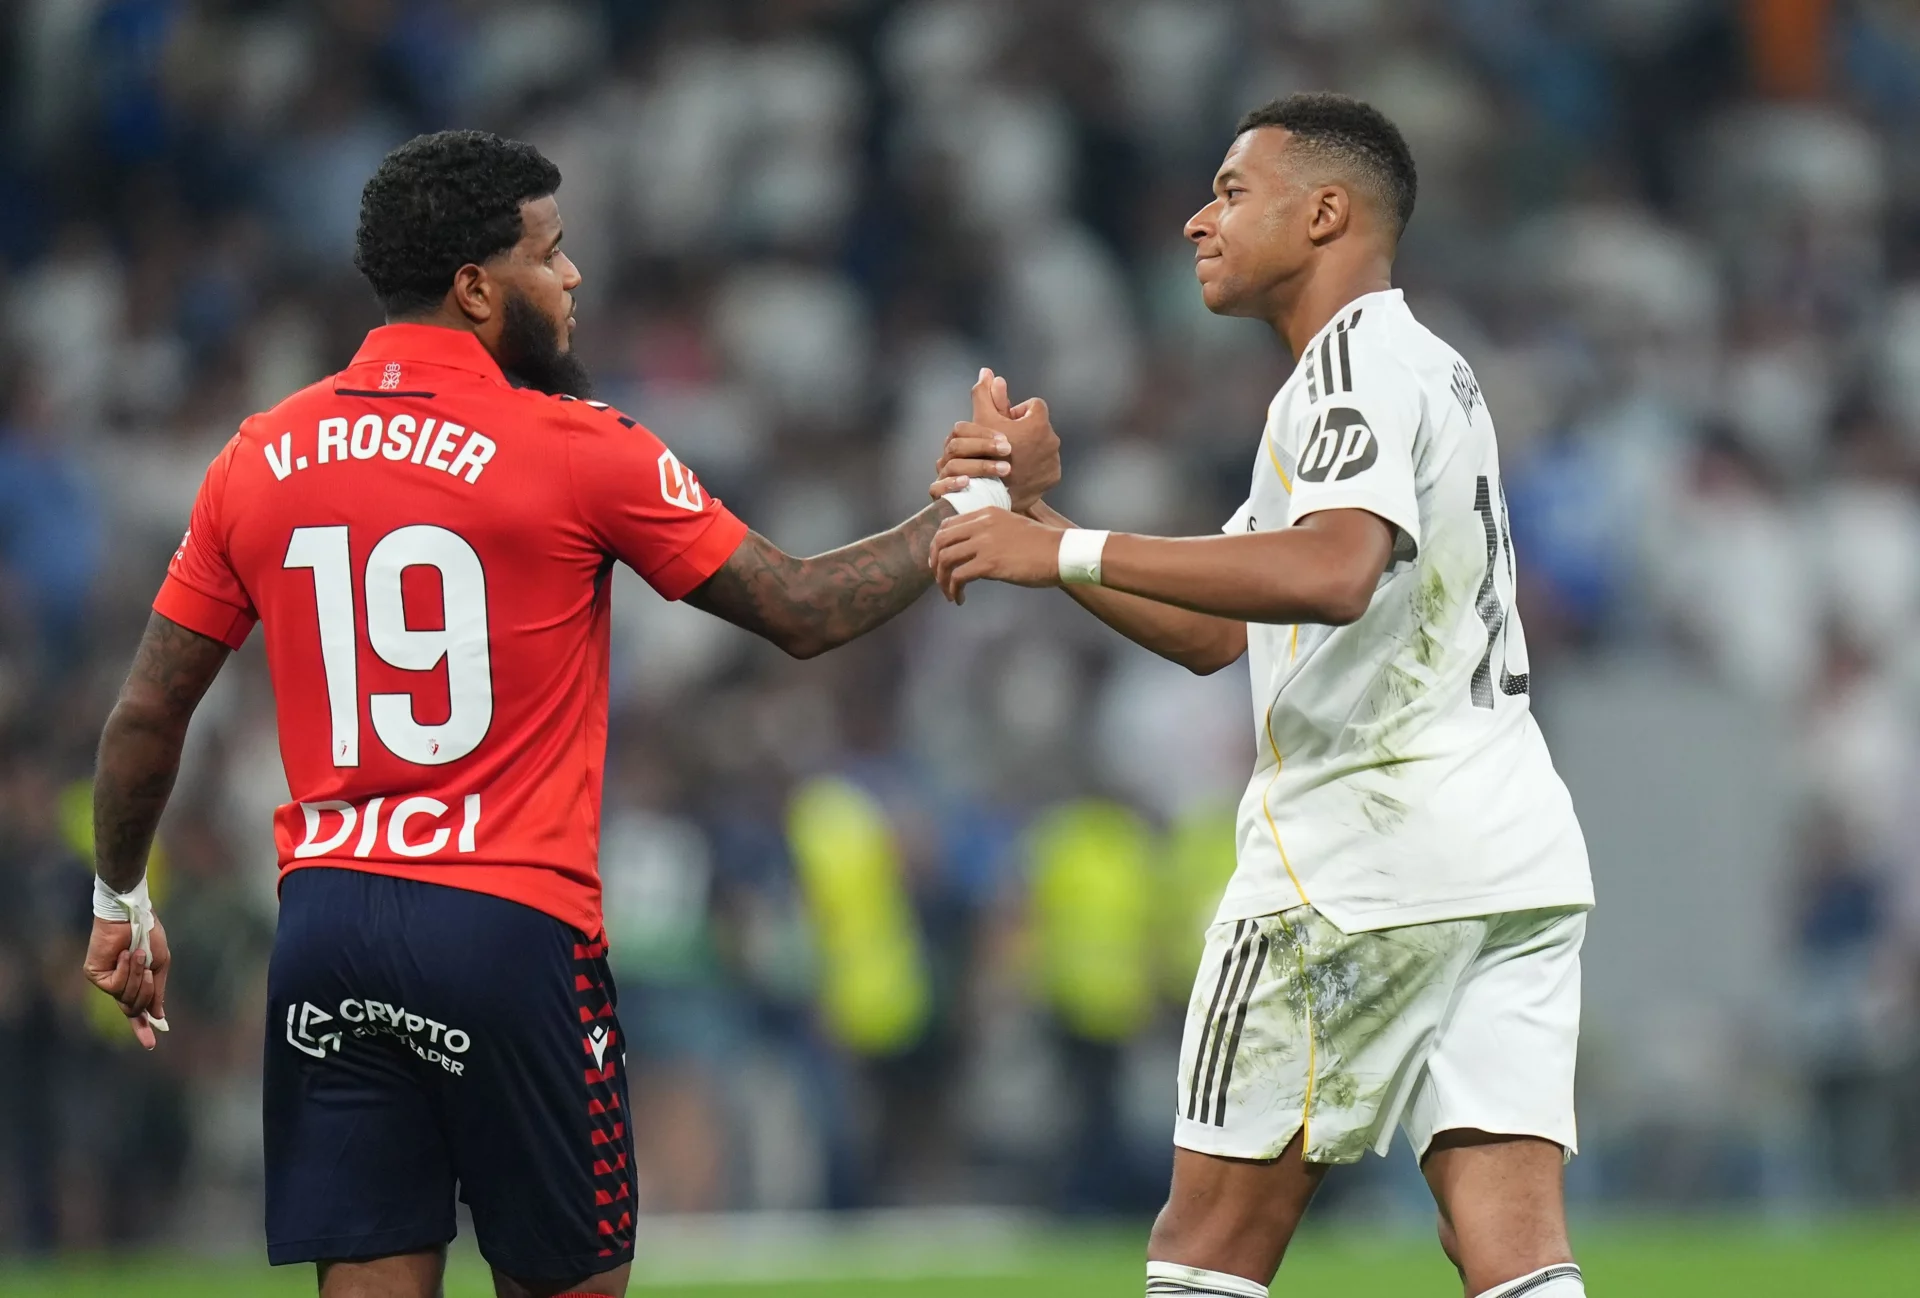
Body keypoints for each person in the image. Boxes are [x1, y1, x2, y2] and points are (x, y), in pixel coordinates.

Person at [79, 129, 1055, 1298]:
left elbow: (147, 713)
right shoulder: (579, 446)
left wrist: (119, 897)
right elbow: (801, 608)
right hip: (506, 923)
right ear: (477, 286)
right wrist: (981, 497)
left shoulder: (261, 454)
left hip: (329, 922)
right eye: (554, 252)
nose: (575, 278)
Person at [929, 93, 1595, 1298]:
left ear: (1326, 211)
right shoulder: (1416, 368)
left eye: (1233, 192)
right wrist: (1039, 522)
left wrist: (1062, 554)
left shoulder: (1346, 369)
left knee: (1207, 1250)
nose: (1197, 219)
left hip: (1358, 863)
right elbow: (1214, 628)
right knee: (1513, 1249)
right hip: (1510, 856)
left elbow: (1332, 572)